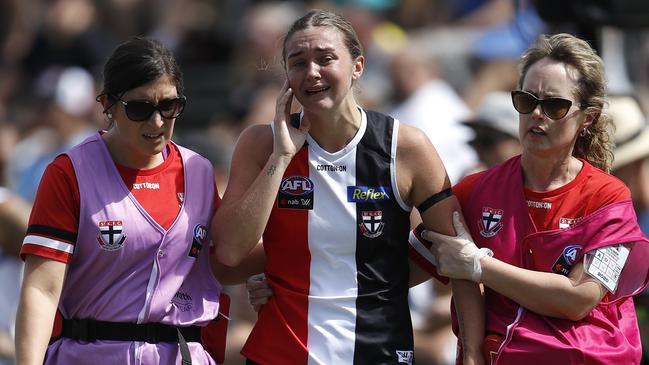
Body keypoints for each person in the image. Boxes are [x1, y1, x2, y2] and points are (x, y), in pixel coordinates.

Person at [211, 9, 484, 365]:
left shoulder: (406, 148)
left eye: (325, 59)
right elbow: (228, 254)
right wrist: (281, 158)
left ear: (357, 66)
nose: (312, 72)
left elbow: (458, 257)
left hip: (379, 352)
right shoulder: (261, 144)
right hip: (281, 353)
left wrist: (473, 353)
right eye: (297, 62)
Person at [418, 33, 649, 364]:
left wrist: (477, 265)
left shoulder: (609, 198)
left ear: (589, 118)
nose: (537, 114)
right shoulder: (475, 190)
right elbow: (401, 270)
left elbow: (579, 298)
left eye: (555, 105)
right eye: (527, 101)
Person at [15, 37, 224, 365]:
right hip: (90, 353)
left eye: (169, 106)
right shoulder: (70, 173)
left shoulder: (199, 171)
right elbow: (41, 290)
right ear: (108, 104)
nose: (157, 122)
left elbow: (226, 260)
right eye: (140, 108)